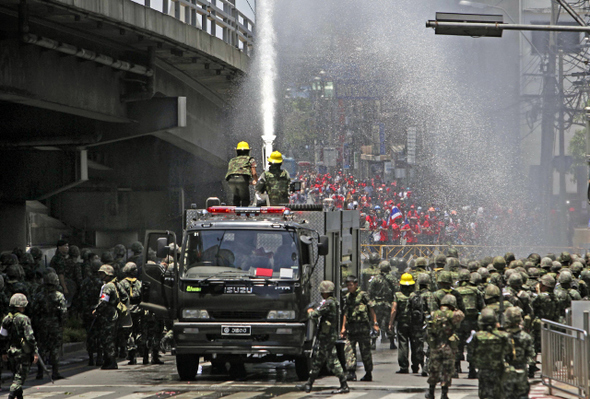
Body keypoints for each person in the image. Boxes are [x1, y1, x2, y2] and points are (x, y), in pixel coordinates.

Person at [296, 281, 349, 394]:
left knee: (333, 361)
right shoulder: (331, 302)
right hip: (326, 336)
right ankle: (309, 383)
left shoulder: (329, 303)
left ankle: (344, 384)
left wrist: (310, 311)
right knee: (318, 361)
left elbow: (315, 315)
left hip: (328, 337)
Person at [425, 295, 464, 399]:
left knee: (434, 369)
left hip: (435, 346)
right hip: (448, 347)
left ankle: (431, 392)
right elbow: (462, 316)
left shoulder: (434, 314)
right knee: (447, 370)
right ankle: (444, 394)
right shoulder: (454, 314)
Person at [1, 293, 39, 399]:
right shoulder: (24, 319)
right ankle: (11, 395)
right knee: (20, 378)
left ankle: (19, 396)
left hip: (11, 352)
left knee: (16, 375)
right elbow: (30, 337)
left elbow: (2, 337)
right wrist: (35, 351)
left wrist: (3, 352)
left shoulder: (6, 319)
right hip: (23, 352)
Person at [341, 275, 378, 382]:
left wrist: (375, 323)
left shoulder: (363, 295)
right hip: (351, 329)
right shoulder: (347, 297)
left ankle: (368, 373)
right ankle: (351, 372)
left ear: (356, 285)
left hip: (363, 329)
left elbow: (371, 308)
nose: (349, 287)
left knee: (365, 352)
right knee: (349, 351)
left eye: (351, 285)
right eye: (347, 285)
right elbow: (346, 313)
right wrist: (343, 327)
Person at [470, 308, 513, 399]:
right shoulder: (503, 335)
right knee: (498, 392)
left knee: (484, 392)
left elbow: (471, 352)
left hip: (483, 369)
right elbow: (510, 352)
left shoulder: (477, 336)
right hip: (499, 368)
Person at [31, 272, 67, 380]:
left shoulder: (39, 295)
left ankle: (40, 372)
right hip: (54, 325)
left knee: (41, 348)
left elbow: (34, 310)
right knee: (55, 348)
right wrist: (62, 324)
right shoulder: (59, 296)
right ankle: (55, 372)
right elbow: (64, 312)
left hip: (41, 324)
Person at [93, 265, 126, 369]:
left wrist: (96, 310)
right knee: (110, 338)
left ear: (108, 274)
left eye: (102, 273)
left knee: (107, 339)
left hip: (108, 315)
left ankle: (110, 362)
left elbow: (103, 301)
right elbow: (125, 296)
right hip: (113, 314)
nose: (101, 275)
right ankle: (109, 361)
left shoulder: (108, 286)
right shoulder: (116, 284)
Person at [390, 273, 419, 374]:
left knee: (403, 344)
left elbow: (394, 310)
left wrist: (391, 323)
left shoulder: (397, 295)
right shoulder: (415, 295)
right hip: (414, 324)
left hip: (402, 323)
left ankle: (403, 367)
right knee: (414, 344)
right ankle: (415, 366)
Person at [503, 307, 535, 399]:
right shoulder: (525, 336)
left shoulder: (502, 336)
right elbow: (531, 354)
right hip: (521, 371)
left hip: (505, 372)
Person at [368, 261, 397, 350]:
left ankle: (373, 342)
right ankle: (392, 342)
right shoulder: (392, 279)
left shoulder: (375, 279)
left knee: (375, 323)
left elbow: (370, 292)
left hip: (377, 304)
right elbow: (396, 291)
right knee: (390, 323)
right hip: (389, 304)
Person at [118, 262, 142, 365]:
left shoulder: (121, 284)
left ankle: (130, 352)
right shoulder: (139, 283)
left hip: (126, 311)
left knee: (128, 333)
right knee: (137, 331)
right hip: (137, 310)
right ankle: (140, 349)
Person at [226, 141, 258, 206]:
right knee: (245, 198)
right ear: (248, 151)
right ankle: (243, 214)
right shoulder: (250, 159)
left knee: (236, 197)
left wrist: (247, 182)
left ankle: (235, 214)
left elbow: (235, 174)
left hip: (230, 180)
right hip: (242, 179)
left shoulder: (232, 160)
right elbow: (254, 173)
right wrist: (256, 181)